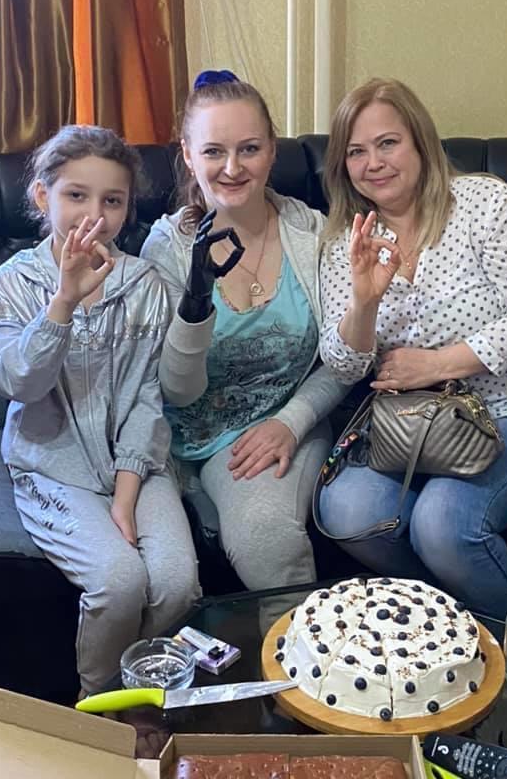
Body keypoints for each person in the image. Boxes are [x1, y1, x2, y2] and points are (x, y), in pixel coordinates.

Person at [316, 78, 507, 619]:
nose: (373, 163)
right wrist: (364, 303)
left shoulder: (485, 204)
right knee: (345, 510)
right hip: (416, 426)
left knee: (442, 524)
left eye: (387, 143)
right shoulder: (348, 241)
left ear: (420, 141)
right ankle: (442, 625)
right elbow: (342, 365)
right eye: (356, 151)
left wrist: (437, 364)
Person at [0, 125, 200, 694]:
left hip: (136, 466)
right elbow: (17, 382)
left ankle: (143, 692)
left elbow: (148, 396)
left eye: (113, 201)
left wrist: (126, 494)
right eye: (76, 195)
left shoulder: (145, 285)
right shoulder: (8, 285)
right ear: (42, 196)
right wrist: (63, 301)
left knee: (177, 584)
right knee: (119, 582)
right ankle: (98, 702)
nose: (94, 215)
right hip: (52, 467)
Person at [141, 70, 346, 622]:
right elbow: (176, 393)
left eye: (249, 149)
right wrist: (195, 302)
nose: (232, 168)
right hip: (189, 438)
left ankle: (300, 668)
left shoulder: (312, 233)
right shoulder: (167, 248)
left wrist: (292, 422)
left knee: (265, 540)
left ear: (272, 150)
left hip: (281, 423)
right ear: (188, 156)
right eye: (214, 151)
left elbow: (344, 358)